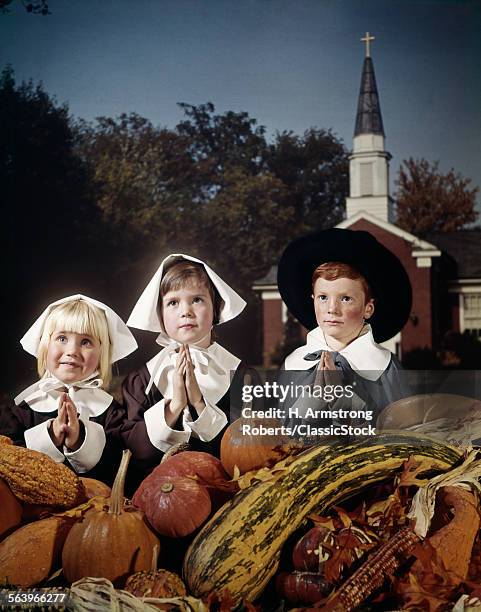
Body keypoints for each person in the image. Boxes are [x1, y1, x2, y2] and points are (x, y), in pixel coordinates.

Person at [121, 253, 247, 486]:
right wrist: (174, 406)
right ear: (159, 313)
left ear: (216, 307)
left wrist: (199, 402)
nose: (186, 311)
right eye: (173, 302)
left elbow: (247, 451)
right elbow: (135, 452)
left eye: (197, 299)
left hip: (226, 494)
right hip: (157, 497)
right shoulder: (141, 381)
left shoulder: (241, 376)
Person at [276, 228, 412, 438]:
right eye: (323, 297)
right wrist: (315, 399)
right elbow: (281, 433)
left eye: (345, 298)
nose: (332, 309)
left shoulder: (384, 367)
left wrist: (342, 400)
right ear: (312, 300)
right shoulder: (295, 363)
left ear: (368, 308)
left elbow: (399, 432)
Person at [0, 294, 138, 484]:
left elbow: (119, 470)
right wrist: (51, 436)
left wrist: (79, 441)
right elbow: (10, 462)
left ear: (101, 354)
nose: (72, 351)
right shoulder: (21, 410)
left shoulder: (112, 413)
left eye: (86, 342)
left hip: (95, 508)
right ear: (44, 346)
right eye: (62, 338)